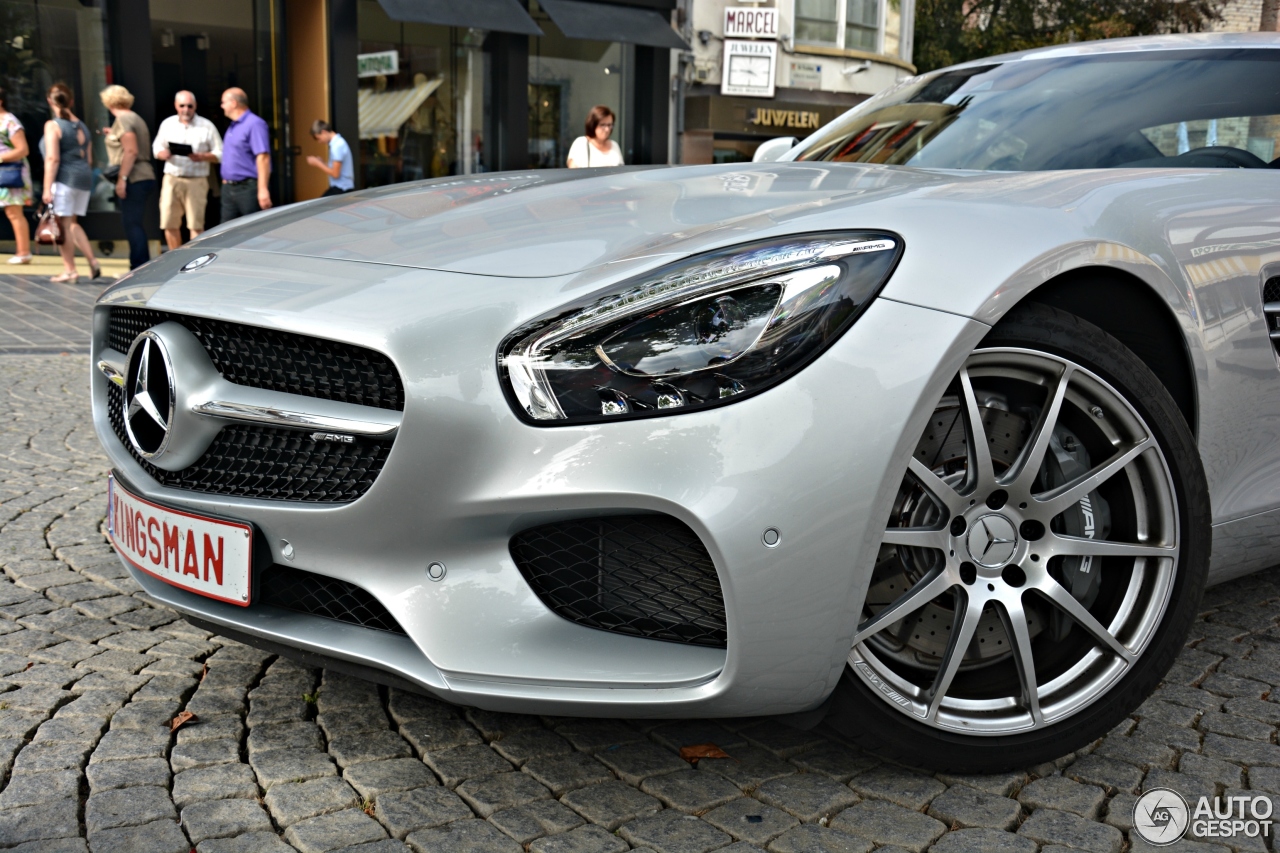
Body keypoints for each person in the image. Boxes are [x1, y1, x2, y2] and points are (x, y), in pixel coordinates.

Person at [40, 83, 99, 283]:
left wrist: (47, 187)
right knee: (72, 223)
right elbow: (89, 159)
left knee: (63, 226)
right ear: (71, 101)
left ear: (50, 101)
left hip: (65, 179)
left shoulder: (53, 125)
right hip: (83, 179)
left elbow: (52, 159)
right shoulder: (82, 125)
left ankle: (70, 270)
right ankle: (92, 260)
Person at [153, 90, 223, 249]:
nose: (186, 109)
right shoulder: (168, 124)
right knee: (169, 222)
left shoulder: (207, 126)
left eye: (189, 106)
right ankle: (174, 261)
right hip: (172, 178)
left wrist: (204, 156)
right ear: (176, 106)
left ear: (195, 106)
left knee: (196, 225)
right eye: (182, 105)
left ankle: (194, 264)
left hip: (196, 180)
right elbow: (156, 147)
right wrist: (161, 153)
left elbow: (221, 153)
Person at [101, 84, 157, 270]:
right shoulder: (134, 117)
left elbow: (131, 150)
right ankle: (139, 264)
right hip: (144, 175)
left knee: (132, 223)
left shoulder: (123, 120)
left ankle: (138, 266)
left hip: (134, 177)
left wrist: (122, 179)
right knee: (135, 222)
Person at [220, 88, 271, 222]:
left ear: (233, 103)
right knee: (225, 235)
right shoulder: (233, 126)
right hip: (228, 189)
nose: (221, 106)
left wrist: (263, 189)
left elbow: (263, 157)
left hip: (247, 189)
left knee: (253, 233)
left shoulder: (254, 124)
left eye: (224, 102)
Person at [0, 87, 32, 265]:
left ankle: (23, 252)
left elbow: (23, 149)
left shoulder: (10, 122)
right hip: (4, 171)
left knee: (14, 212)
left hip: (10, 173)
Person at [305, 120, 354, 196]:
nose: (319, 142)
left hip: (342, 189)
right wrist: (322, 162)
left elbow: (335, 174)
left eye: (319, 138)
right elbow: (335, 169)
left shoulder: (337, 146)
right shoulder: (337, 144)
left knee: (321, 206)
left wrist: (318, 163)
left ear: (324, 132)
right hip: (341, 188)